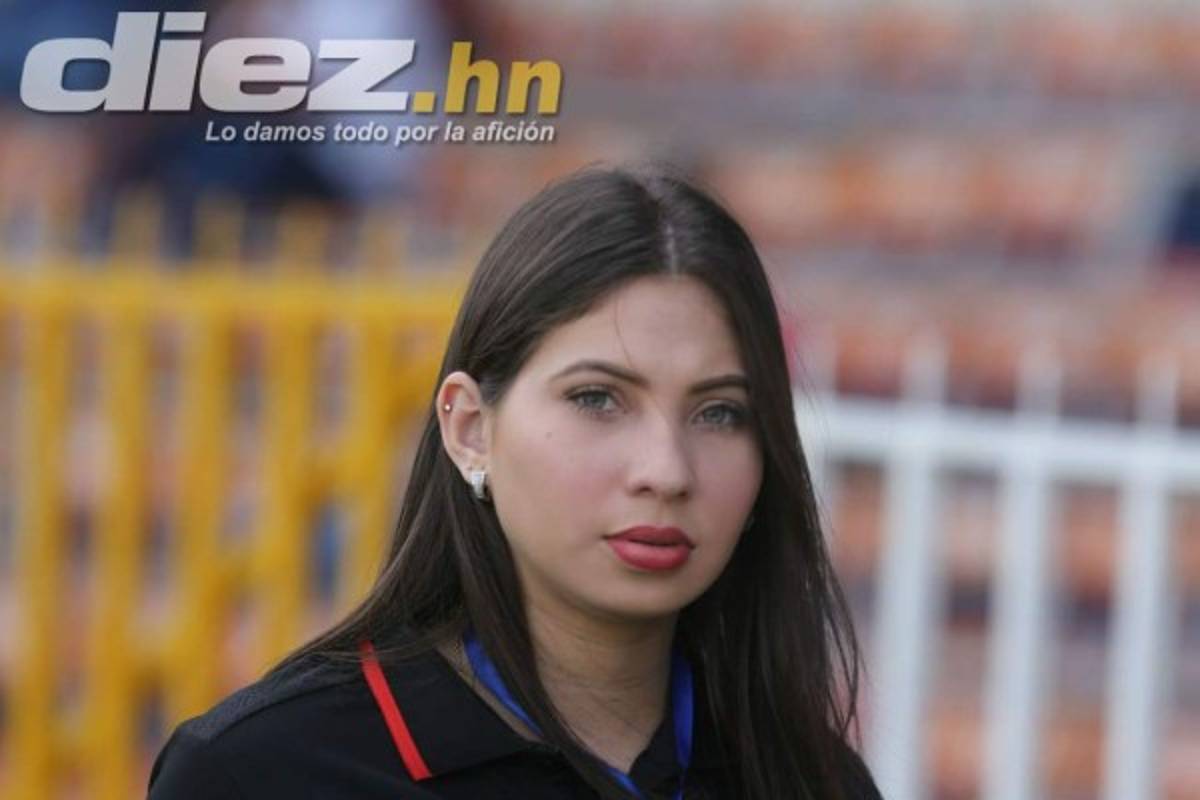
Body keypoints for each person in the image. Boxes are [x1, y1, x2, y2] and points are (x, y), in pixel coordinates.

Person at [147, 165, 883, 799]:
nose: (666, 470)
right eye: (598, 398)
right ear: (470, 428)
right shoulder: (267, 771)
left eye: (719, 412)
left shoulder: (811, 780)